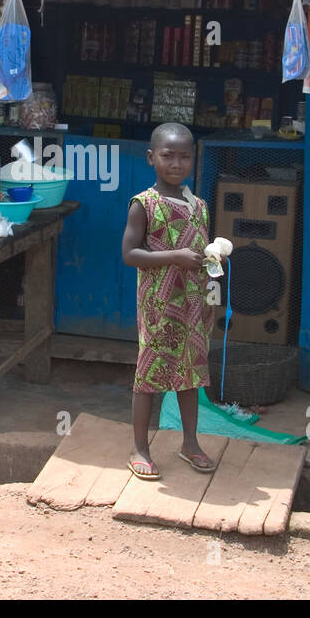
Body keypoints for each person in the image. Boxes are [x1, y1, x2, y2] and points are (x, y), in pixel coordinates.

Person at [121, 122, 216, 479]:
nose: (176, 164)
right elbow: (130, 254)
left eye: (184, 156)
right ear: (151, 158)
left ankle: (190, 443)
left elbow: (201, 252)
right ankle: (139, 448)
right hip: (158, 305)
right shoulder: (143, 204)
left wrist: (211, 273)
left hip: (193, 303)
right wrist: (175, 256)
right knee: (149, 373)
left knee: (190, 374)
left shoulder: (199, 206)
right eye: (168, 156)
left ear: (194, 159)